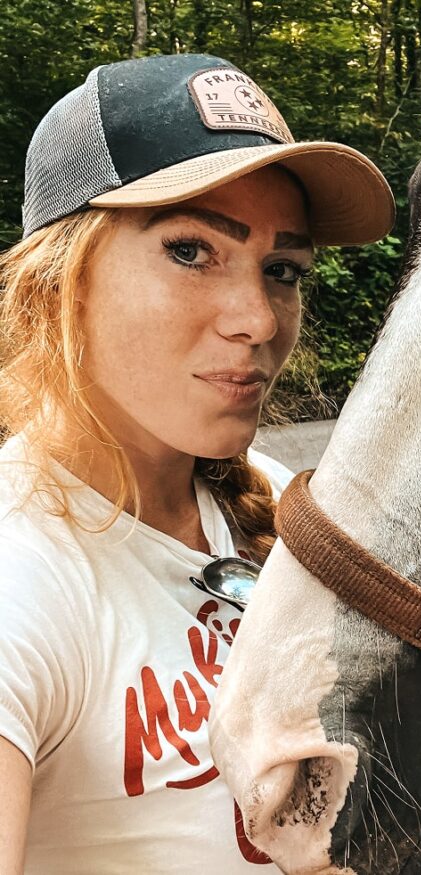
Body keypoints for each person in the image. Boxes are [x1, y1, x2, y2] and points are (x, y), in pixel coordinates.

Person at [0, 53, 394, 874]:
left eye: (281, 270)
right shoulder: (22, 574)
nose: (257, 318)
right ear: (57, 280)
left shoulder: (288, 512)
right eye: (190, 251)